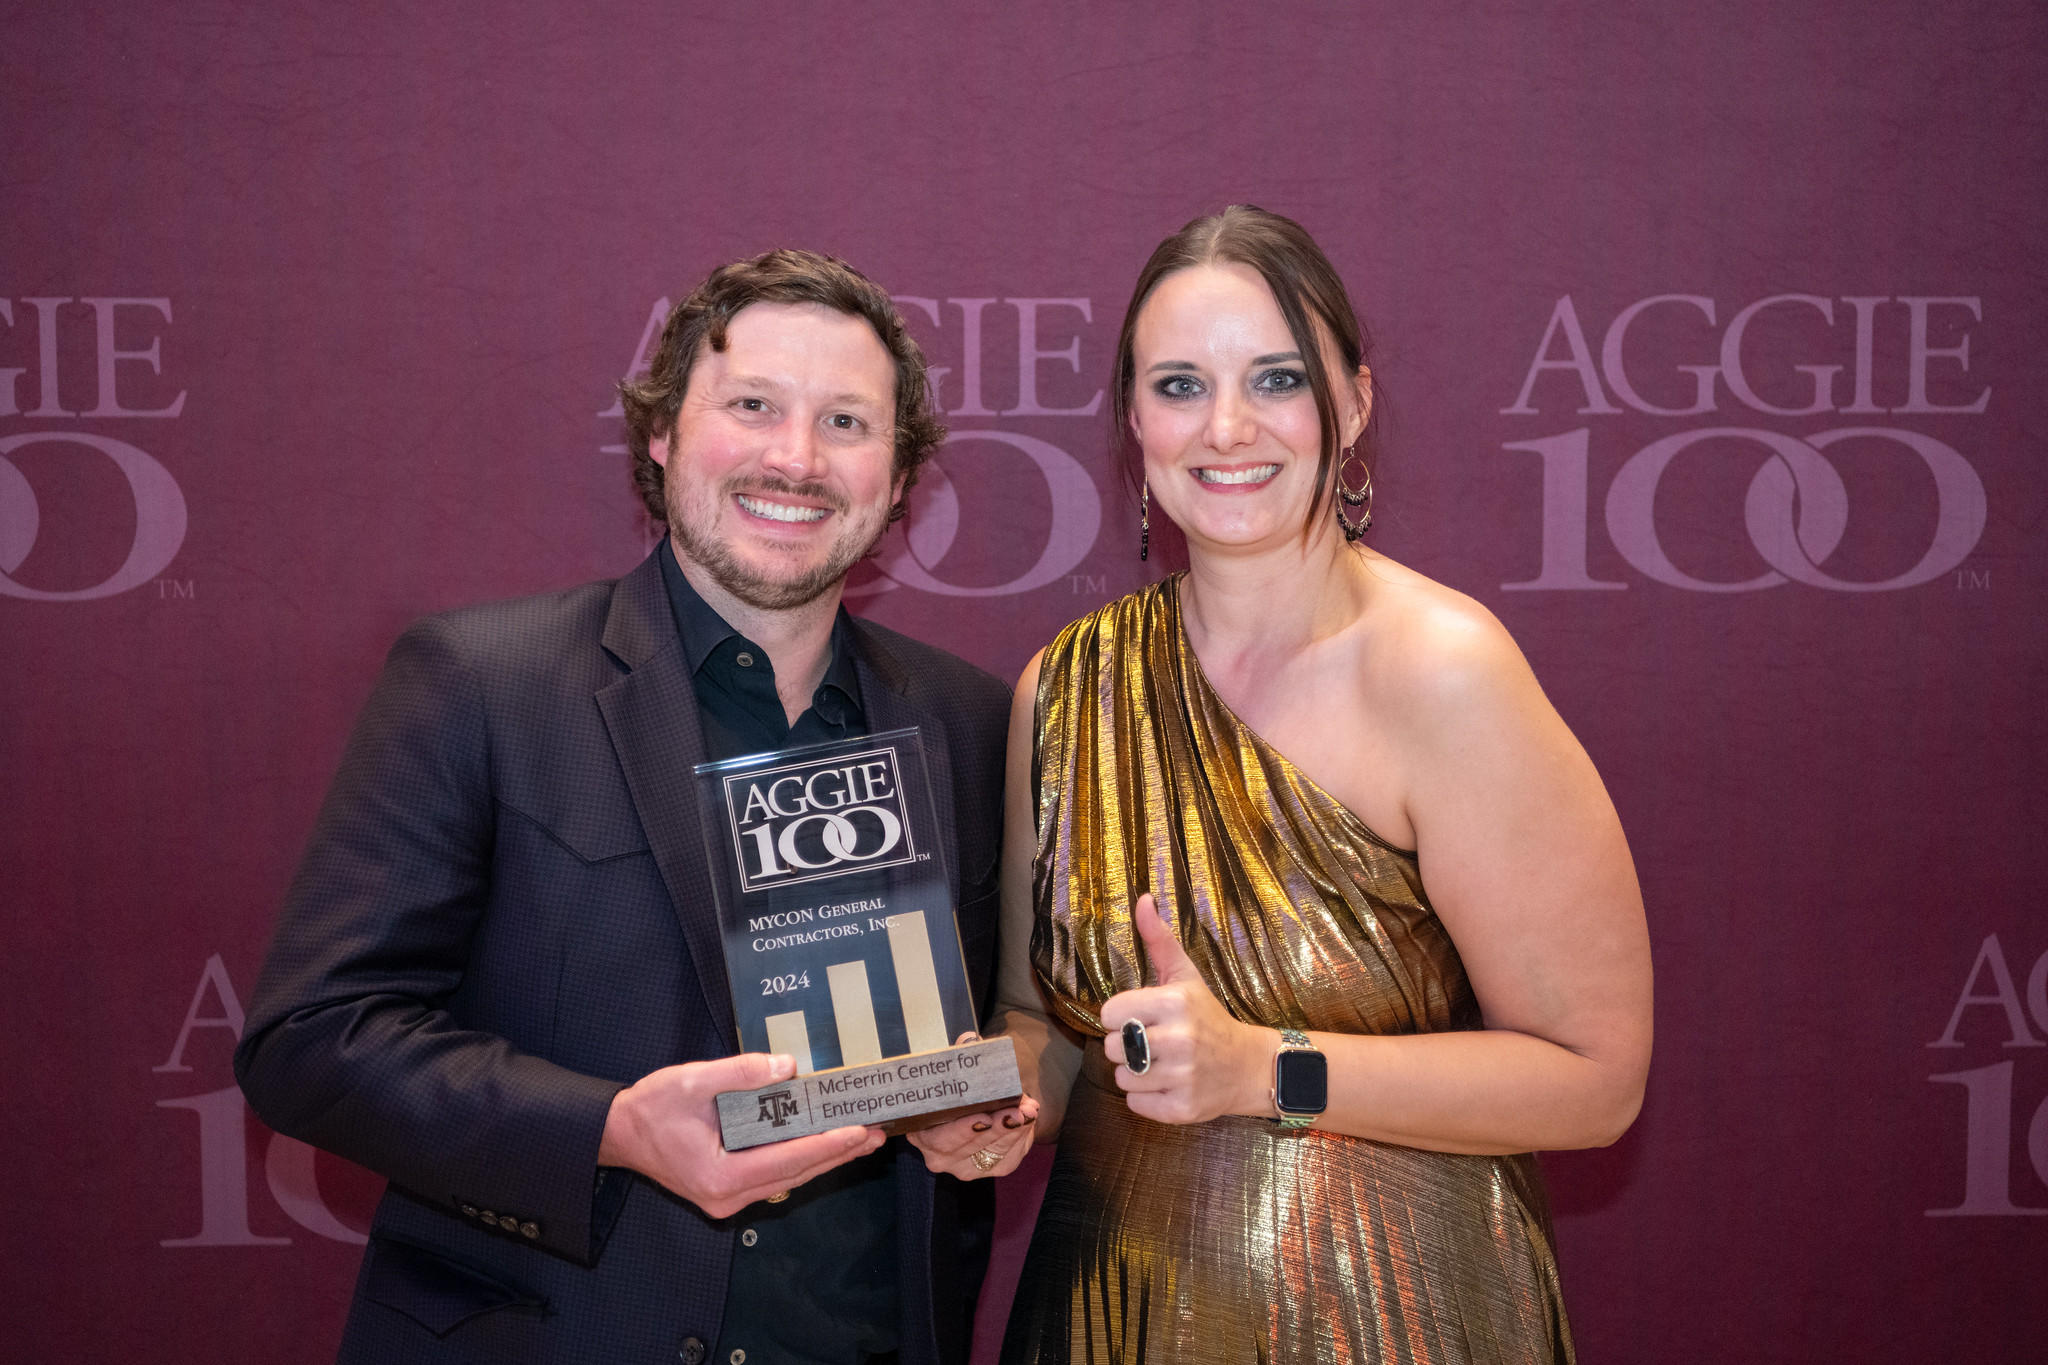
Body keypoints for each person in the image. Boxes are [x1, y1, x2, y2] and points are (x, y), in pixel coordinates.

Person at [234, 249, 1012, 1365]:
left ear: (899, 476)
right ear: (659, 433)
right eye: (751, 406)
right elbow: (310, 1040)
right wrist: (612, 1130)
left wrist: (976, 1113)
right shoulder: (483, 685)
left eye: (846, 422)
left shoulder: (968, 722)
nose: (794, 458)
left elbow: (966, 1050)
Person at [968, 207, 1656, 1363]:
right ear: (1131, 421)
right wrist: (976, 1103)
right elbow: (1044, 1027)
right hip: (1108, 1319)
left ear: (1353, 402)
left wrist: (1264, 1070)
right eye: (1178, 385)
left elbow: (1593, 1084)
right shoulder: (1066, 685)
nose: (1225, 429)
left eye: (1274, 378)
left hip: (1395, 1316)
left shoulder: (1442, 673)